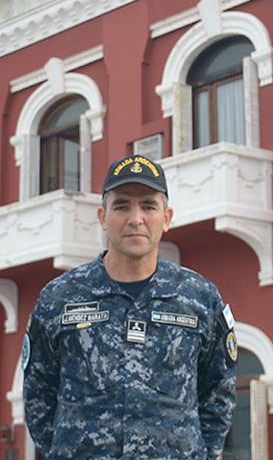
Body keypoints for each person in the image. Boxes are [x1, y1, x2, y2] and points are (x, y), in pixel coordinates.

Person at [23, 154, 238, 459]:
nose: (135, 219)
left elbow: (218, 394)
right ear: (102, 217)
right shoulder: (59, 299)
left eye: (148, 206)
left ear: (166, 218)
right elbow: (38, 398)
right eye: (122, 206)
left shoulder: (200, 299)